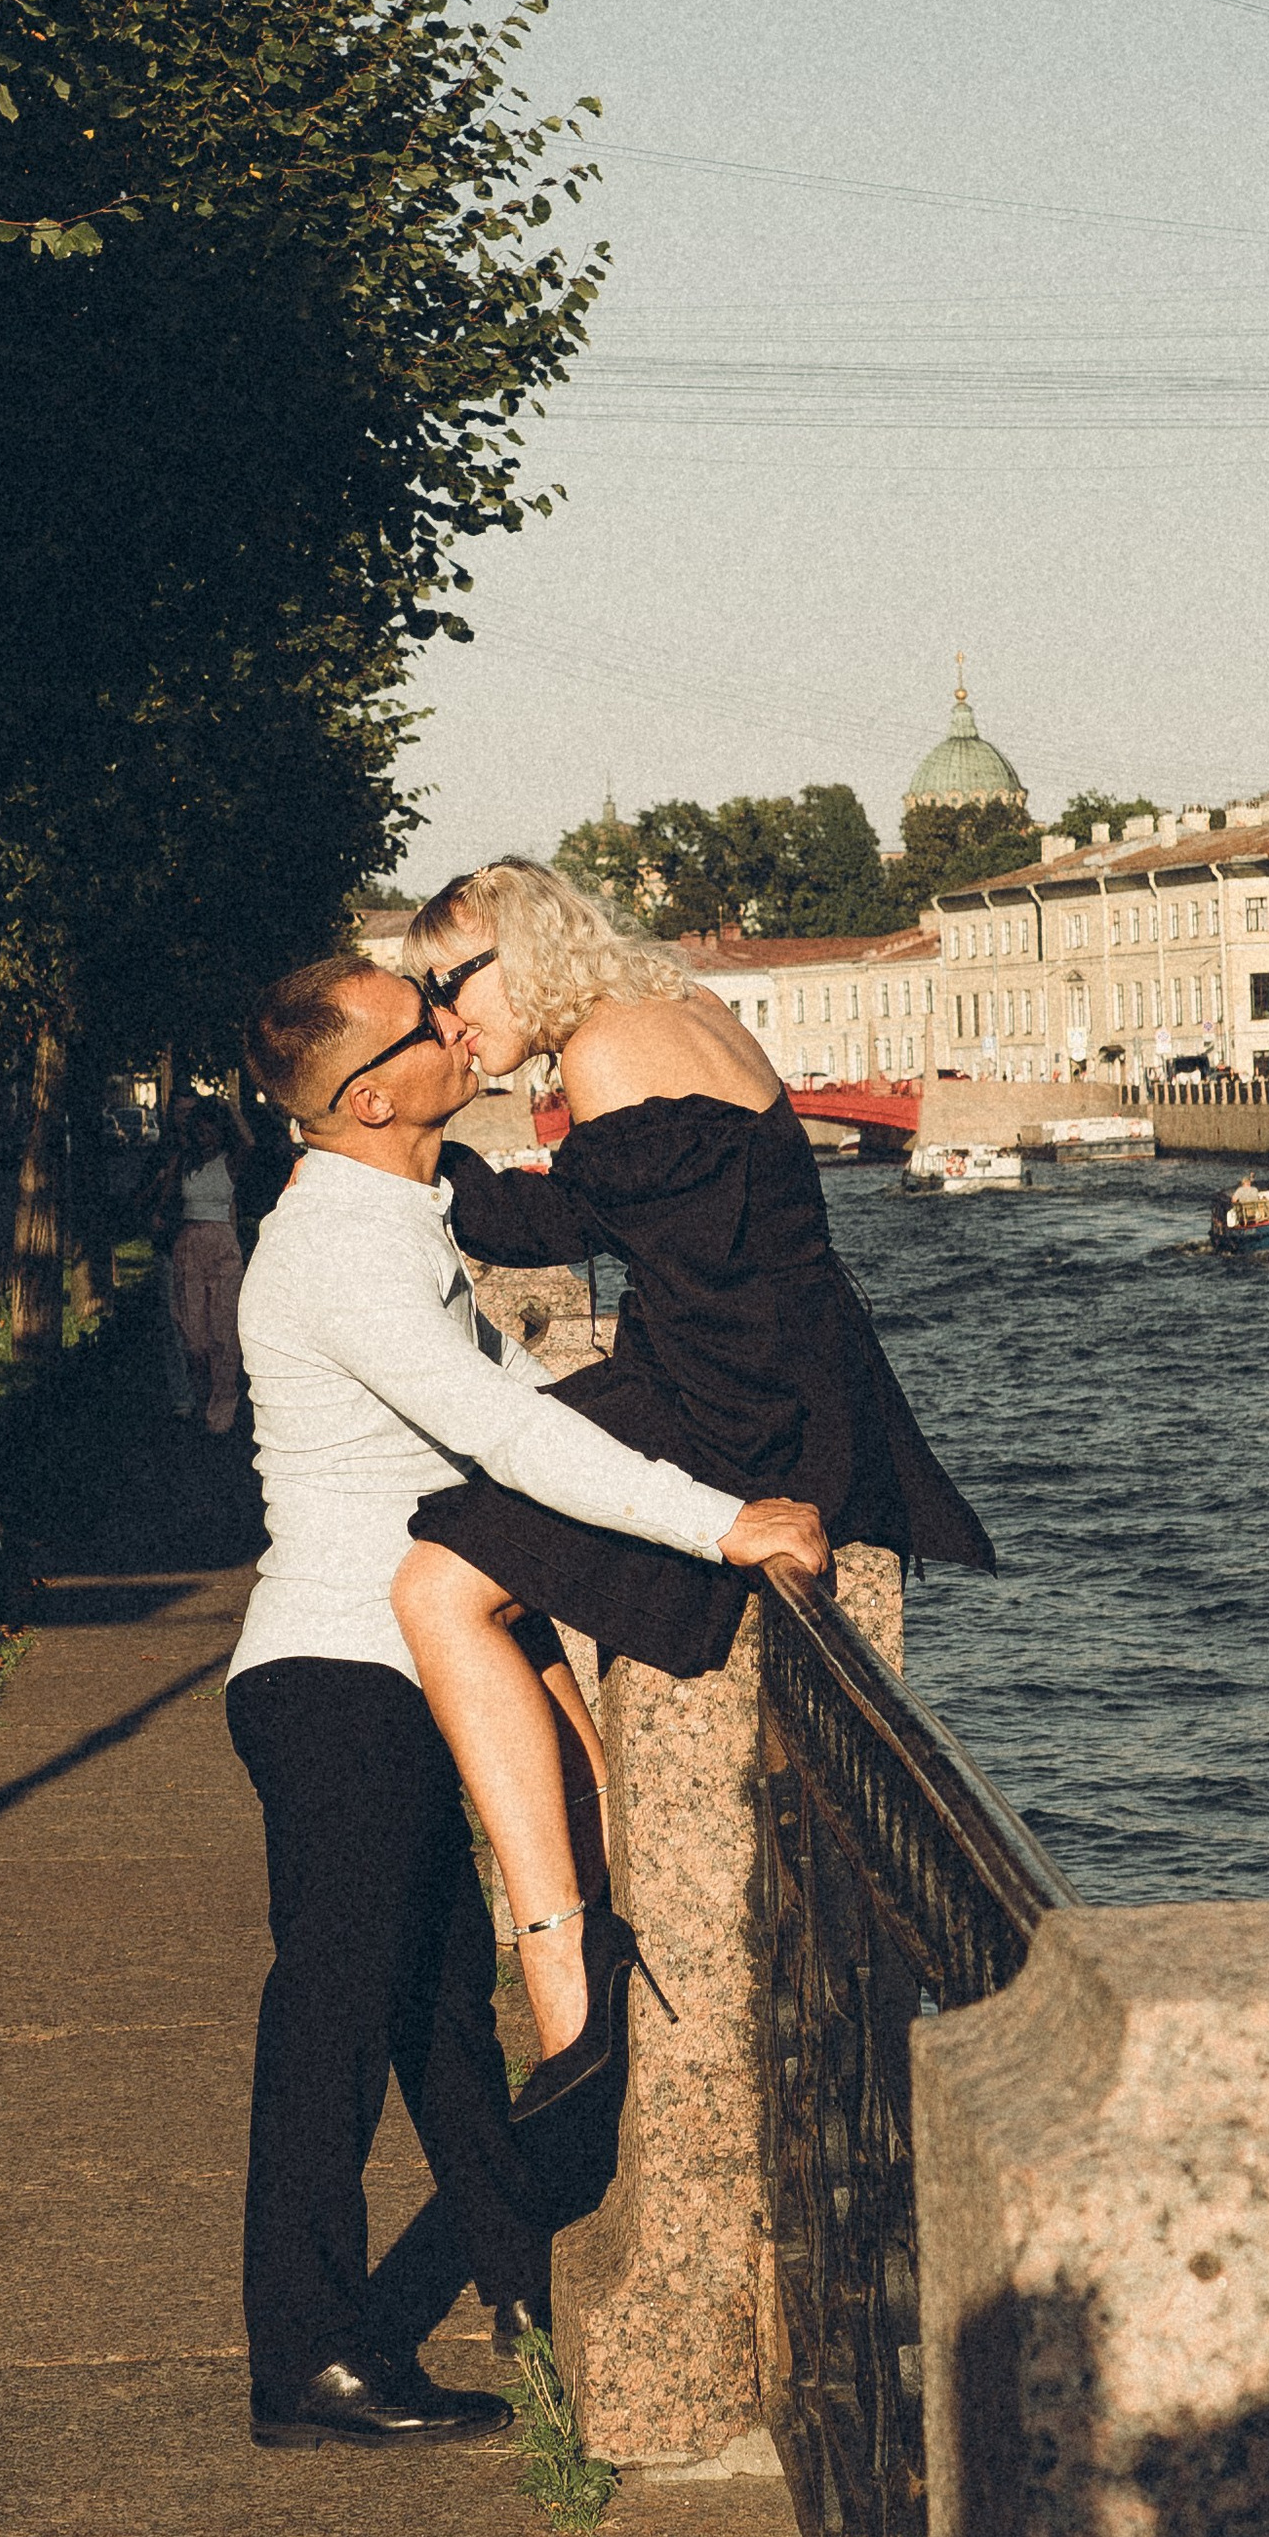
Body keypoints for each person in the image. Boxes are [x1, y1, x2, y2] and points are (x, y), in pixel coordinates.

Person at [226, 952, 828, 2453]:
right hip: (337, 1677)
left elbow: (542, 1404)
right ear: (374, 1096)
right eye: (424, 1020)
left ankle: (522, 2285)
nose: (453, 1022)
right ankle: (302, 2354)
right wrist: (722, 1522)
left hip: (381, 1670)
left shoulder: (391, 1217)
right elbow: (503, 1433)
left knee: (433, 2016)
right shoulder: (342, 1251)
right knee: (337, 2012)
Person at [393, 859, 993, 2118]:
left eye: (445, 988)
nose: (446, 1022)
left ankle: (570, 1959)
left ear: (517, 953)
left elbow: (541, 1235)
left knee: (443, 1582)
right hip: (769, 1371)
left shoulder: (611, 1048)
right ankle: (595, 1878)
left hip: (742, 1402)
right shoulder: (675, 1014)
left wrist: (399, 1140)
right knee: (478, 1542)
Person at [149, 1092, 247, 1432]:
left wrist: (230, 1107)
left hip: (221, 1247)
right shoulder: (183, 1163)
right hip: (189, 1247)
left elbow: (248, 1142)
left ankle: (222, 1410)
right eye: (199, 1132)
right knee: (193, 1338)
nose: (204, 1138)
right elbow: (161, 1205)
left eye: (210, 1131)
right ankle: (203, 1397)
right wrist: (159, 1215)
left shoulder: (229, 1161)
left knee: (223, 1333)